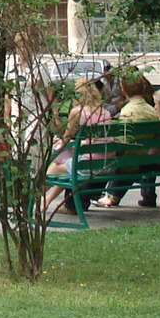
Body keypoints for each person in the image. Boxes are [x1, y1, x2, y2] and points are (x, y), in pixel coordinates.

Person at [41, 79, 111, 217]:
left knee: (57, 165)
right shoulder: (105, 112)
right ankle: (46, 199)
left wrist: (58, 141)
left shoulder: (78, 112)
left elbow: (67, 137)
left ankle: (37, 197)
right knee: (65, 164)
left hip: (88, 165)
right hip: (106, 163)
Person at [95, 76, 159, 208]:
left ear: (123, 91)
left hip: (127, 160)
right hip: (142, 156)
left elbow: (122, 143)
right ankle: (111, 196)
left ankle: (91, 198)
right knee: (130, 159)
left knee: (104, 159)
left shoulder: (128, 111)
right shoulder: (152, 110)